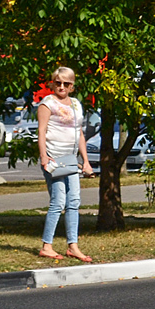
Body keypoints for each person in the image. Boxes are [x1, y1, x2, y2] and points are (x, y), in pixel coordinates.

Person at [37, 66, 94, 262]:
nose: (62, 86)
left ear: (72, 86)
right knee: (58, 202)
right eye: (58, 82)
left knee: (74, 202)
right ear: (52, 83)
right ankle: (47, 245)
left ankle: (73, 246)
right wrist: (44, 157)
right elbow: (42, 132)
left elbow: (79, 134)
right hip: (54, 159)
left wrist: (85, 161)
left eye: (66, 83)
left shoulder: (76, 105)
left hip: (70, 161)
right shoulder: (47, 104)